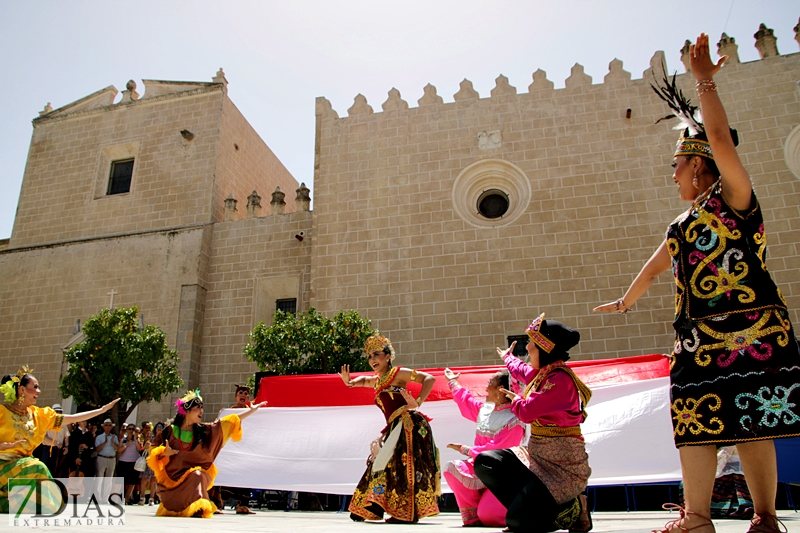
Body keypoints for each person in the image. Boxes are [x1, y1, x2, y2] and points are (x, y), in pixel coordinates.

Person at [594, 33, 799, 533]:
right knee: (695, 427)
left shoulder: (736, 200)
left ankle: (765, 517)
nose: (673, 176)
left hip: (750, 330)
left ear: (698, 163)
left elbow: (723, 140)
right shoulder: (682, 225)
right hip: (696, 339)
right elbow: (658, 262)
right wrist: (627, 299)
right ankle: (698, 518)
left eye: (677, 165)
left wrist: (704, 81)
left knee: (752, 424)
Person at [474, 314, 592, 533]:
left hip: (561, 468)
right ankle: (529, 509)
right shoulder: (543, 374)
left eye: (532, 344)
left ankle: (575, 507)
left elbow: (527, 412)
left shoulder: (560, 381)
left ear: (546, 349)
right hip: (537, 459)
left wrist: (514, 399)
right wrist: (507, 358)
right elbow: (522, 371)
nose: (527, 348)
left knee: (518, 523)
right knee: (486, 462)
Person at [339, 333, 441, 523]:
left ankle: (405, 513)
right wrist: (350, 382)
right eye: (369, 356)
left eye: (376, 354)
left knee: (402, 466)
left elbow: (429, 378)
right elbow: (364, 379)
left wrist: (417, 402)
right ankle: (370, 506)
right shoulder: (378, 381)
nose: (372, 359)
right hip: (396, 426)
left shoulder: (398, 373)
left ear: (388, 356)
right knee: (382, 464)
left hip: (409, 423)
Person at [0, 366, 119, 513]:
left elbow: (70, 419)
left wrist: (101, 410)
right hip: (3, 465)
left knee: (35, 473)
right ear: (22, 390)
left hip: (24, 465)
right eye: (35, 387)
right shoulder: (2, 412)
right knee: (38, 467)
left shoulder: (39, 415)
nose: (39, 391)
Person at [147, 389, 266, 518]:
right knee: (194, 478)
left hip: (195, 477)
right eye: (198, 408)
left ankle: (199, 507)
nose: (202, 412)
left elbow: (227, 422)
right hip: (173, 481)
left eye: (202, 408)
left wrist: (251, 411)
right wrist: (164, 452)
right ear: (186, 411)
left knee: (197, 474)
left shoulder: (204, 431)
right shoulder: (169, 431)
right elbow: (152, 450)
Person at [443, 367, 525, 527]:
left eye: (490, 383)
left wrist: (466, 450)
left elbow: (497, 450)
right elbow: (468, 402)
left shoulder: (513, 419)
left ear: (501, 390)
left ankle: (519, 511)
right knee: (451, 469)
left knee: (490, 515)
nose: (486, 387)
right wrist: (452, 381)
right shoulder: (486, 411)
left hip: (502, 474)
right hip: (480, 466)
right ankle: (473, 515)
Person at [118, 423, 142, 504]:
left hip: (133, 462)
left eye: (133, 429)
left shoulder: (137, 440)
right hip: (123, 461)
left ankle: (127, 498)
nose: (131, 431)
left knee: (132, 482)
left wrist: (135, 440)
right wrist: (127, 445)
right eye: (129, 429)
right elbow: (119, 450)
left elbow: (139, 449)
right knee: (121, 481)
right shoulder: (123, 439)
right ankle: (118, 498)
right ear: (127, 430)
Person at [138, 422, 158, 506]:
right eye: (146, 427)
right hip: (145, 460)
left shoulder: (155, 438)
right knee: (144, 479)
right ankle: (142, 498)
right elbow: (140, 449)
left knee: (154, 480)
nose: (147, 429)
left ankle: (151, 499)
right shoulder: (141, 438)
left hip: (153, 459)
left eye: (149, 427)